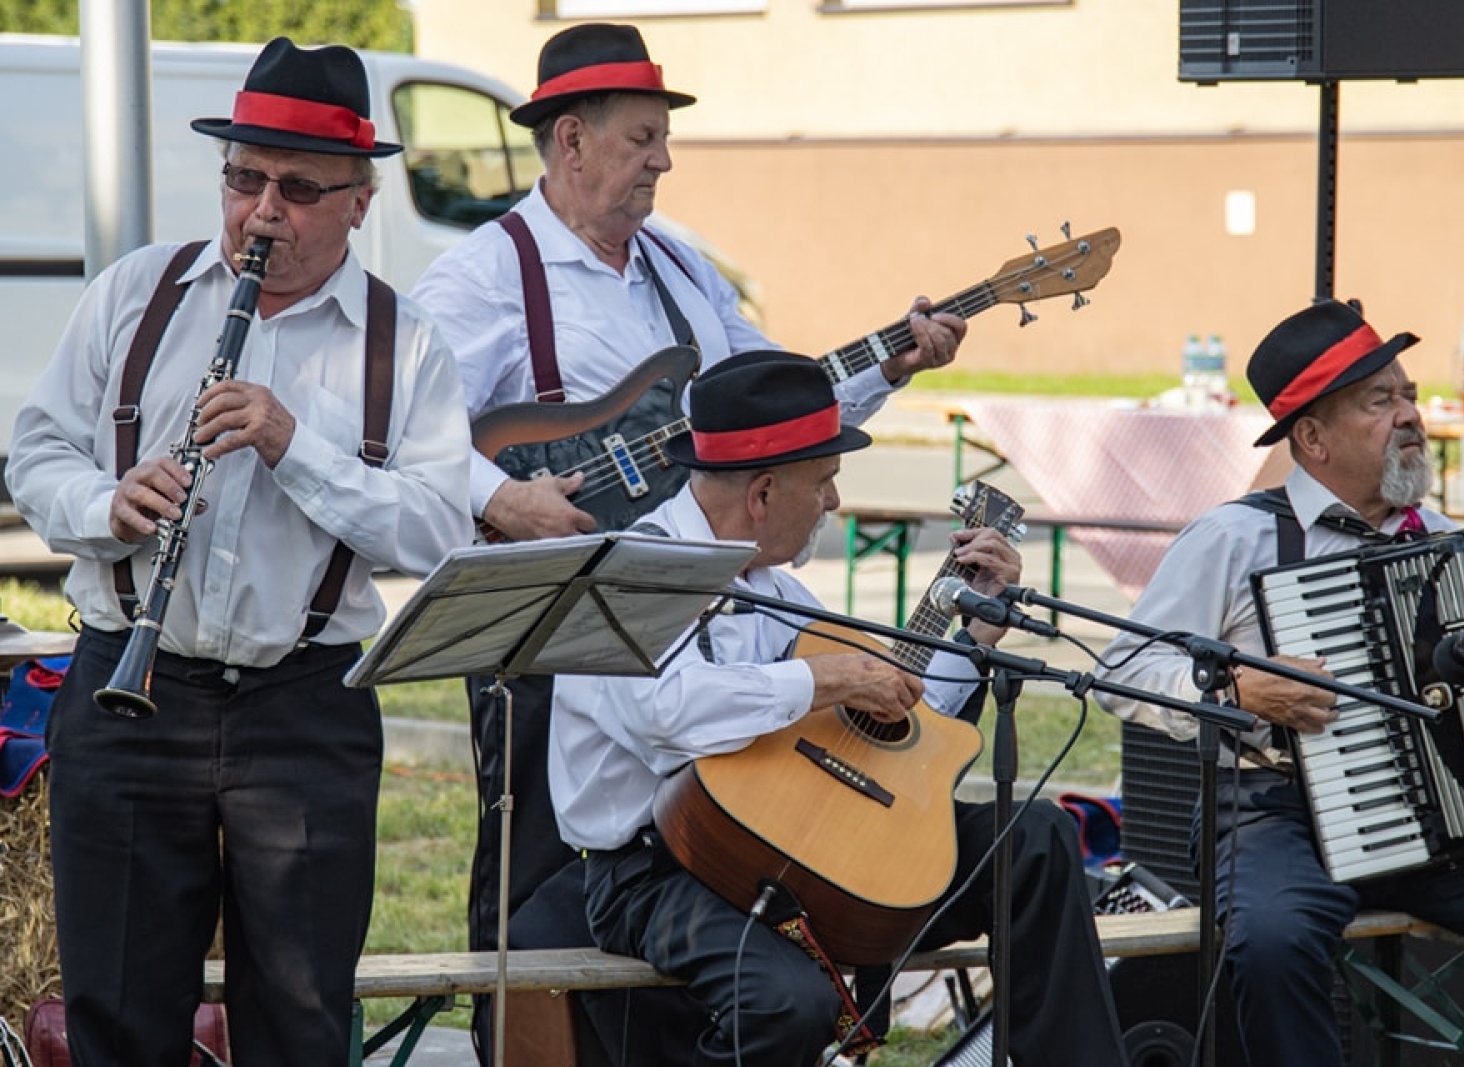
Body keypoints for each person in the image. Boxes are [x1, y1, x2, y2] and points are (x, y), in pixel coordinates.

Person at [408, 20, 970, 1048]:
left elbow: (777, 401)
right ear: (568, 140)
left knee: (702, 856)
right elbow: (402, 434)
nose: (663, 159)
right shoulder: (479, 277)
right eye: (641, 137)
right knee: (541, 891)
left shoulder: (679, 265)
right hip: (551, 630)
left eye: (664, 137)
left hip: (694, 600)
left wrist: (889, 364)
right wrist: (500, 496)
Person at [5, 38, 473, 1066]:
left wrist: (292, 443)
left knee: (299, 1019)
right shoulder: (139, 292)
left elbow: (436, 528)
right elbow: (37, 446)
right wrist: (106, 501)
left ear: (360, 198)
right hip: (131, 686)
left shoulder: (407, 342)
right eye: (244, 179)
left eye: (299, 189)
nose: (264, 212)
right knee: (119, 1007)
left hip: (304, 704)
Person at [546, 349, 1128, 1067]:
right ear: (761, 493)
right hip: (663, 868)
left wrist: (978, 627)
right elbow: (667, 712)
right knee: (786, 1000)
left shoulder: (777, 588)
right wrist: (826, 681)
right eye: (823, 483)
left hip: (807, 845)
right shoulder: (632, 574)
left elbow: (900, 703)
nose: (834, 503)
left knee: (1035, 837)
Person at [1097, 299, 1464, 1066]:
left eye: (1407, 394)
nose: (1410, 415)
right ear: (1313, 437)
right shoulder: (1236, 538)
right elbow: (1121, 671)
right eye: (1380, 401)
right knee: (1271, 940)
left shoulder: (1444, 544)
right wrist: (1236, 692)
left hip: (1441, 823)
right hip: (1272, 811)